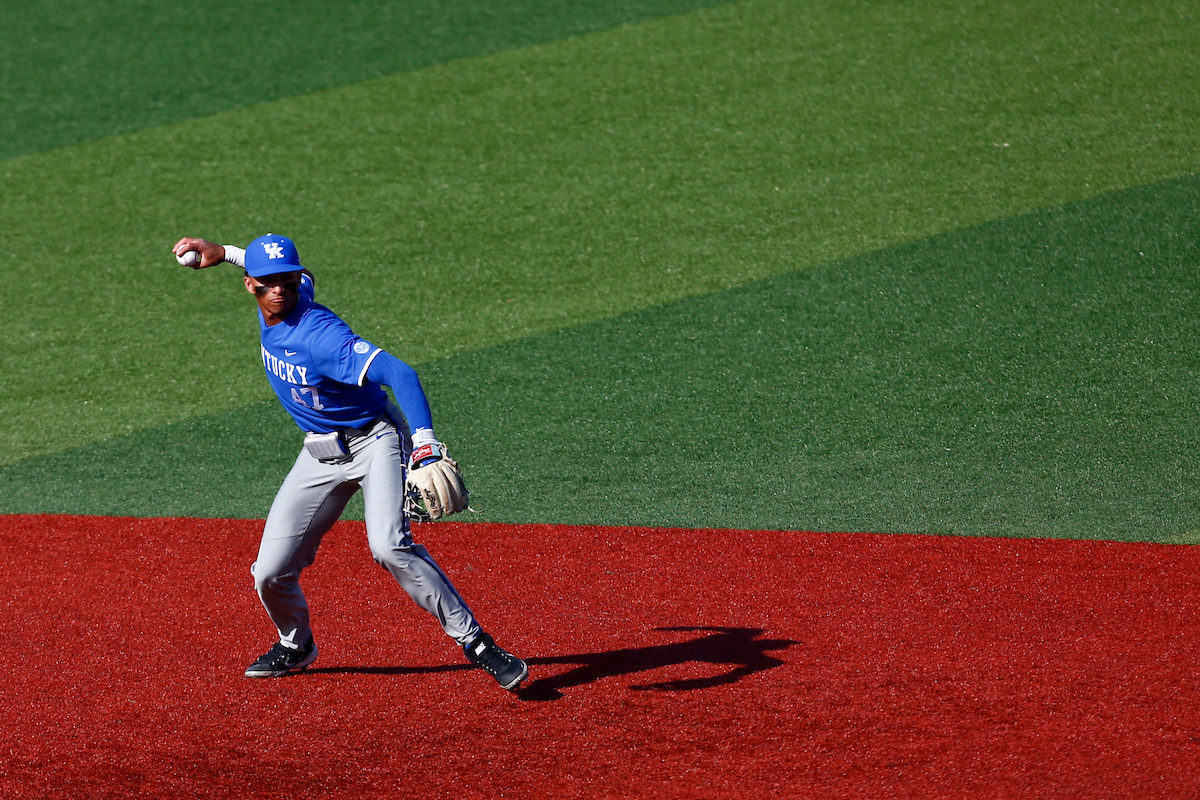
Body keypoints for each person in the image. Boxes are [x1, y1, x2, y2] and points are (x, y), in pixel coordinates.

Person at [171, 233, 528, 691]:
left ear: (295, 282)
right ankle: (296, 644)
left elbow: (401, 373)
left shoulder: (322, 336)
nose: (279, 290)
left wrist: (423, 442)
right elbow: (293, 275)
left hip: (375, 442)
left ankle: (477, 643)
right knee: (269, 572)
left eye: (286, 281)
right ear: (249, 286)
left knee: (389, 547)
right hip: (318, 453)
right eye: (267, 283)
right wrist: (225, 254)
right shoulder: (280, 296)